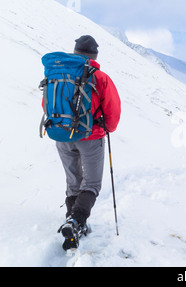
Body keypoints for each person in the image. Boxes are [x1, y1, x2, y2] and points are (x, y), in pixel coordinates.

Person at [57, 35, 121, 249]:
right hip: (91, 137)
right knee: (91, 184)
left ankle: (72, 222)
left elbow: (47, 104)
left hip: (62, 135)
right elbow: (113, 111)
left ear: (76, 52)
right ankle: (76, 221)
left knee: (73, 181)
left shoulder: (61, 74)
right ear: (94, 55)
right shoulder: (100, 77)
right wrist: (107, 128)